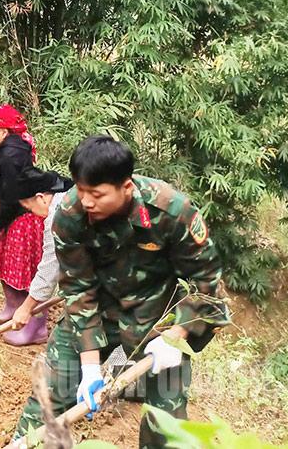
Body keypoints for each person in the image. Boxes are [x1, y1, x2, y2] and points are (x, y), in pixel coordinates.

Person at [12, 136, 228, 449]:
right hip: (96, 310)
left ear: (126, 187)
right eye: (81, 189)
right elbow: (77, 287)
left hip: (158, 320)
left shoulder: (171, 211)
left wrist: (176, 336)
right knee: (52, 390)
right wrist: (88, 368)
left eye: (96, 194)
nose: (86, 201)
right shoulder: (70, 216)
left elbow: (208, 284)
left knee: (166, 420)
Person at [0, 105, 40, 327]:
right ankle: (11, 308)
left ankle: (34, 326)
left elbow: (14, 200)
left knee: (23, 271)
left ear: (4, 132)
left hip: (22, 218)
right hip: (10, 214)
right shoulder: (3, 148)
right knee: (6, 264)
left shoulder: (12, 154)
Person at [0, 165, 72, 346]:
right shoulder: (68, 197)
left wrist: (26, 308)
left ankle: (119, 366)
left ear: (40, 197)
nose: (29, 211)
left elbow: (49, 269)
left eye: (27, 206)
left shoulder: (57, 217)